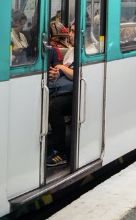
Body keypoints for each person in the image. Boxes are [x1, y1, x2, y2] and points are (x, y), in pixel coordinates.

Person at [46, 23, 76, 167]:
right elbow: (64, 72)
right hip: (65, 89)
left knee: (54, 107)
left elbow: (77, 74)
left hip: (76, 92)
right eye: (70, 31)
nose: (70, 34)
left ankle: (61, 151)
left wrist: (61, 68)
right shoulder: (71, 52)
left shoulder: (88, 51)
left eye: (74, 32)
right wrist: (56, 73)